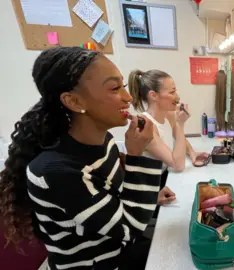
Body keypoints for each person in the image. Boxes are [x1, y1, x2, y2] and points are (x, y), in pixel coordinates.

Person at [0, 47, 173, 270]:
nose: (128, 98)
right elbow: (128, 228)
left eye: (124, 86)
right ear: (74, 102)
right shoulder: (55, 172)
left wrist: (152, 195)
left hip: (119, 251)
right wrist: (137, 155)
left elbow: (111, 199)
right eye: (114, 88)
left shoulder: (104, 142)